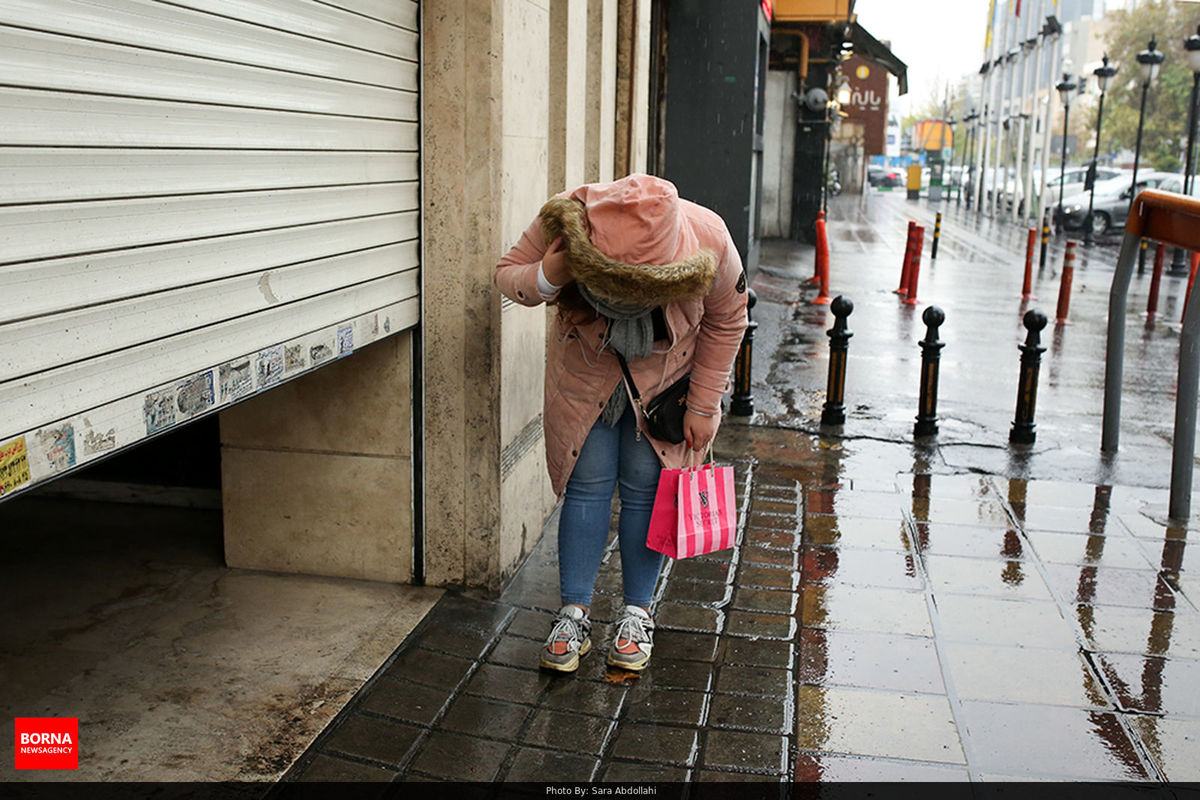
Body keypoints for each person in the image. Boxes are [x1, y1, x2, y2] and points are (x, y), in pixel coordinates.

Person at [494, 173, 748, 673]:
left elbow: (727, 318)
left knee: (645, 493)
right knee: (586, 489)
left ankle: (637, 613)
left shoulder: (709, 236)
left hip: (664, 389)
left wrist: (703, 404)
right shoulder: (565, 218)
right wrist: (553, 270)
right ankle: (573, 614)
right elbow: (508, 275)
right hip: (584, 380)